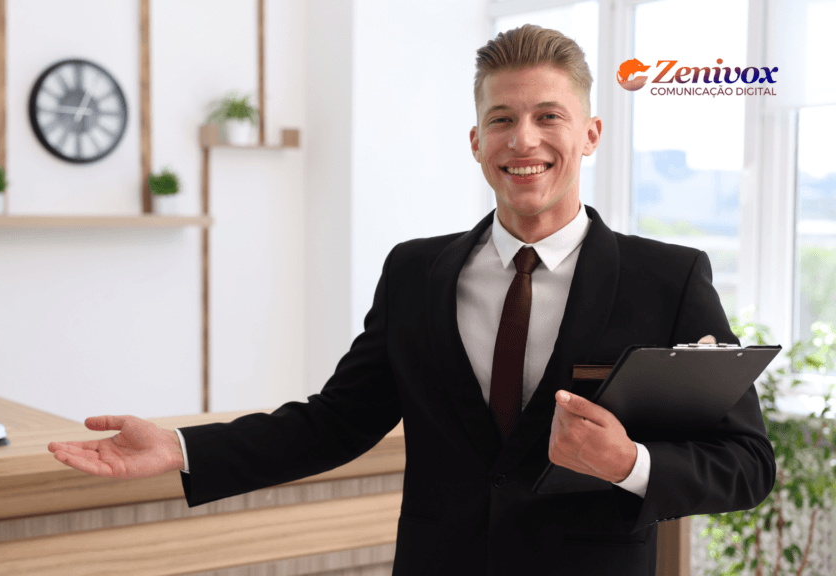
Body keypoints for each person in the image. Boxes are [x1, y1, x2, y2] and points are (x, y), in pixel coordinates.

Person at [49, 24, 775, 575]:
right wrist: (179, 447)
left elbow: (746, 463)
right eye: (502, 118)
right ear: (476, 139)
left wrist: (629, 463)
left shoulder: (669, 278)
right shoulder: (415, 273)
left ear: (589, 134)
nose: (524, 139)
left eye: (549, 116)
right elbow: (335, 423)